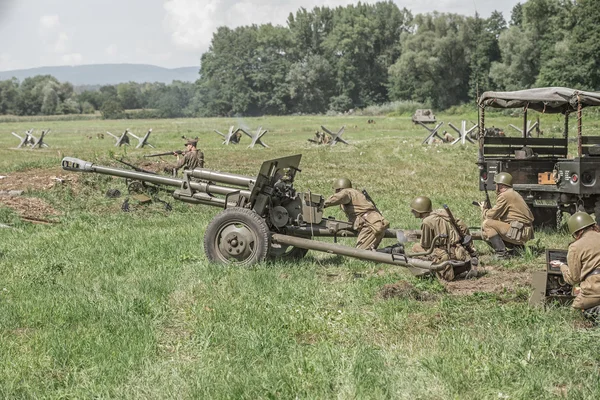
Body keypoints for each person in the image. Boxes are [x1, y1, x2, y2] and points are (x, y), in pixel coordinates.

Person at [409, 196, 478, 281]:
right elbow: (463, 227)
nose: (412, 211)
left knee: (416, 247)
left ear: (420, 210)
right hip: (458, 252)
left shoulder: (427, 221)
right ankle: (464, 266)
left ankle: (435, 270)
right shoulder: (443, 213)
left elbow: (426, 244)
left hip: (444, 254)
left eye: (414, 210)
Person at [550, 212, 600, 322]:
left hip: (594, 290)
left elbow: (573, 279)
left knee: (575, 315)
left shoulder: (576, 247)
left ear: (578, 232)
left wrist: (562, 266)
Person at [324, 178, 389, 250]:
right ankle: (395, 250)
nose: (335, 192)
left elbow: (338, 197)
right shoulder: (356, 194)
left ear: (340, 189)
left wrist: (323, 204)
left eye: (336, 190)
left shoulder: (347, 192)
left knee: (361, 253)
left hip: (370, 225)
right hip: (376, 223)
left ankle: (394, 251)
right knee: (369, 252)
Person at [480, 172, 534, 258]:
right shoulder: (513, 193)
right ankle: (517, 249)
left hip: (519, 232)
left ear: (501, 186)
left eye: (496, 185)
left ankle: (501, 254)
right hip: (523, 231)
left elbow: (491, 215)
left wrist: (484, 210)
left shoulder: (505, 196)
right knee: (489, 230)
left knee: (487, 224)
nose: (495, 187)